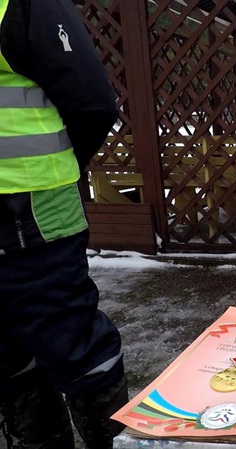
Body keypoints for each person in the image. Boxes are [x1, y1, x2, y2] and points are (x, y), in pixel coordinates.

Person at [0, 1, 128, 448]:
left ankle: (109, 440)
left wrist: (57, 167)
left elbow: (92, 103)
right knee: (9, 354)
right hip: (28, 199)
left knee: (72, 342)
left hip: (31, 208)